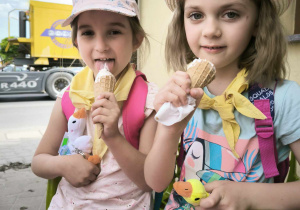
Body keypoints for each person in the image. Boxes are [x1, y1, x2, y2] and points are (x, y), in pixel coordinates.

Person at [144, 0, 300, 209]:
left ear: (258, 22)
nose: (210, 31)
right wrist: (168, 131)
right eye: (196, 15)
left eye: (231, 14)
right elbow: (155, 182)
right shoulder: (180, 95)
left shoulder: (284, 98)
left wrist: (249, 196)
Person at [31, 0, 158, 209]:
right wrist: (63, 164)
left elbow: (148, 181)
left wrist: (113, 136)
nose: (101, 46)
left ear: (136, 40)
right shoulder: (68, 97)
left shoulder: (149, 100)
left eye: (114, 31)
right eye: (88, 33)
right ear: (75, 42)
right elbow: (38, 162)